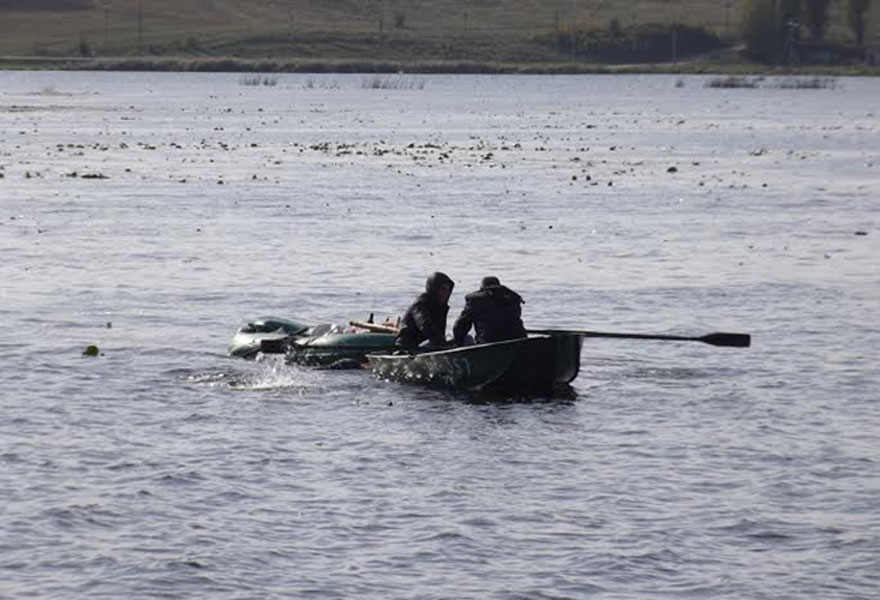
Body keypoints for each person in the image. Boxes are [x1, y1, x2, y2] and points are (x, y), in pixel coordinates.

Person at [453, 276, 526, 346]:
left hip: (488, 344)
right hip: (520, 342)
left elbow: (460, 326)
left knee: (468, 338)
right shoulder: (513, 298)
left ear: (482, 288)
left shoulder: (475, 300)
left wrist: (459, 343)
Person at [395, 272, 455, 349]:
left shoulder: (441, 307)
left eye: (448, 290)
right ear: (434, 289)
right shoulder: (420, 304)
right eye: (443, 289)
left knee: (467, 338)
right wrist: (442, 344)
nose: (446, 293)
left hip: (429, 344)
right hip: (409, 346)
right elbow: (424, 324)